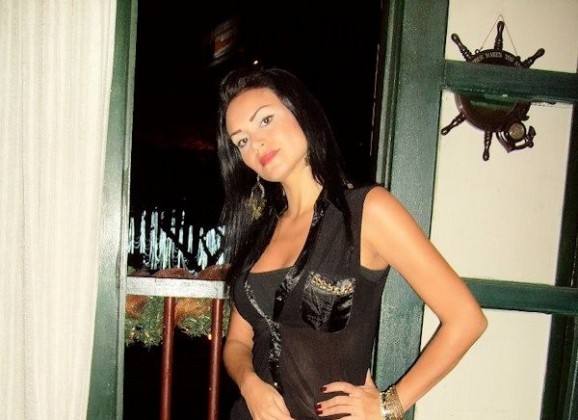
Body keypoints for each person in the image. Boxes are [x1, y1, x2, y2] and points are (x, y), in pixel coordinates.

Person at [215, 65, 487, 420]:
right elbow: (237, 342)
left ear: (301, 112)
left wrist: (389, 405)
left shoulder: (366, 211)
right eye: (242, 140)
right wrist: (249, 383)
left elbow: (466, 319)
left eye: (265, 120)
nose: (256, 144)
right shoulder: (260, 232)